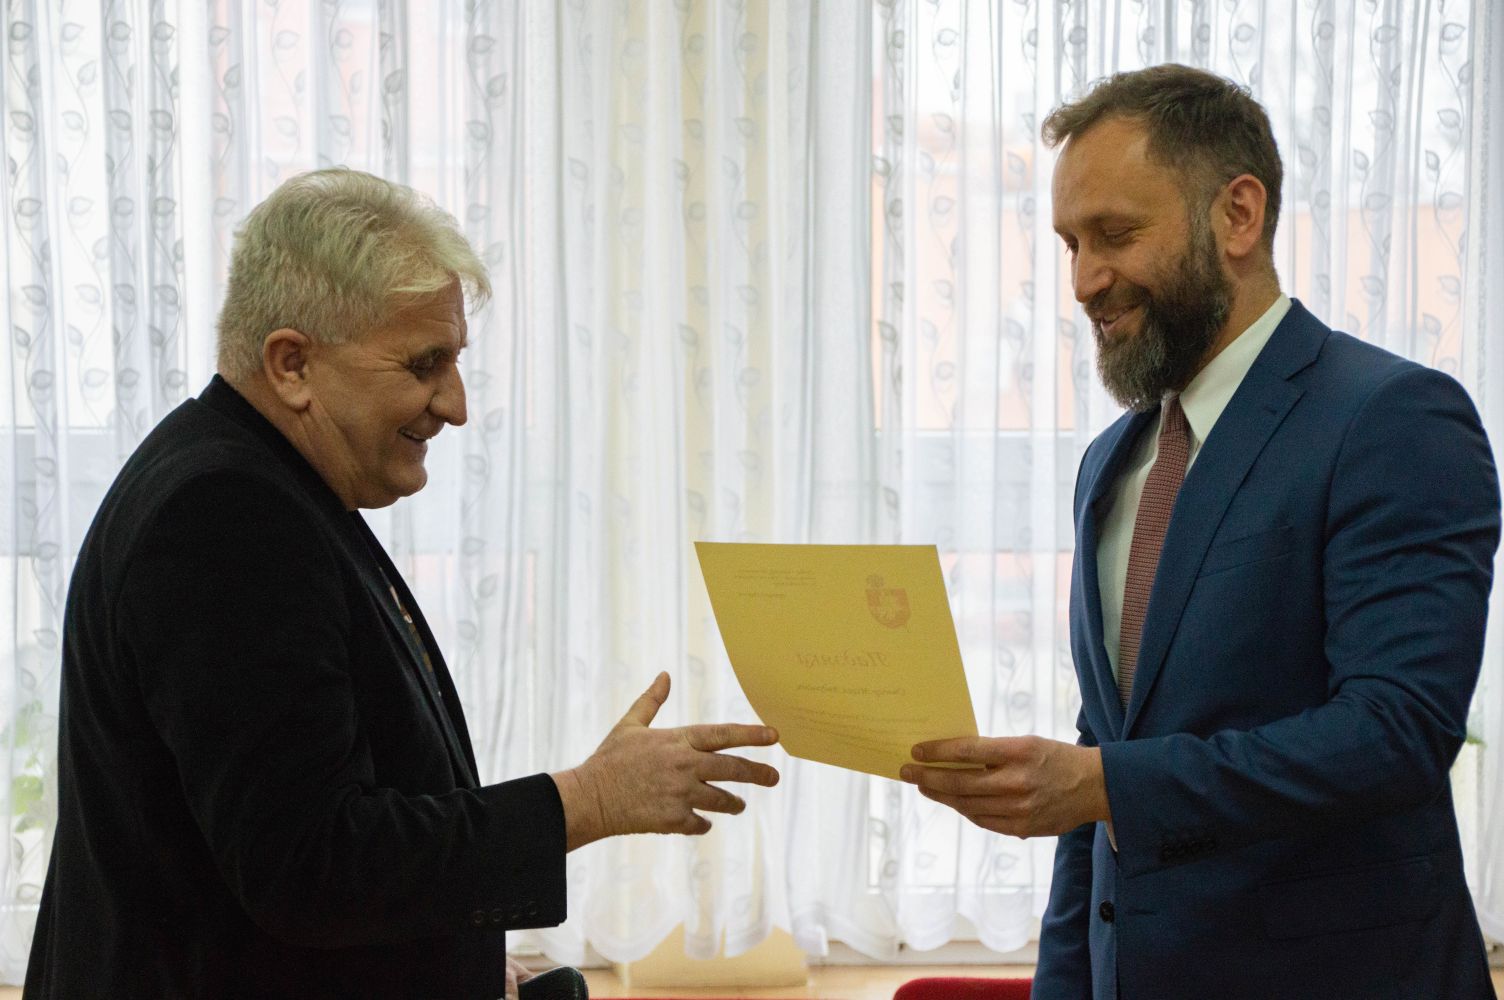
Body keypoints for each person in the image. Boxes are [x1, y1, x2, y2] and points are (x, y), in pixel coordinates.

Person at [25, 168, 780, 999]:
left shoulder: (264, 481)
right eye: (425, 365)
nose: (455, 405)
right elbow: (310, 864)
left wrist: (445, 956)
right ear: (291, 364)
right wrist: (587, 801)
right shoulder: (224, 515)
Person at [900, 64, 1499, 999]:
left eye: (1115, 235)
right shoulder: (1110, 462)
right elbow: (1101, 764)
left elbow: (1395, 732)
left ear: (1238, 216)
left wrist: (1105, 785)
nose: (1084, 281)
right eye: (1069, 244)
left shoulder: (1394, 418)